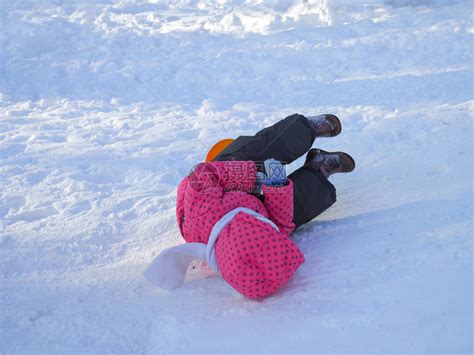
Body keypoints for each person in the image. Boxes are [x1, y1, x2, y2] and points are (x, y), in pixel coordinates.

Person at [144, 114, 355, 298]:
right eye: (272, 232)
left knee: (258, 153)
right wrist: (277, 187)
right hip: (246, 207)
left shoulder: (205, 212)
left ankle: (304, 128)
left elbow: (203, 176)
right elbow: (281, 224)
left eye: (265, 225)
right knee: (294, 213)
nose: (273, 231)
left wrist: (251, 177)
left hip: (218, 180)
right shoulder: (257, 242)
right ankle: (318, 168)